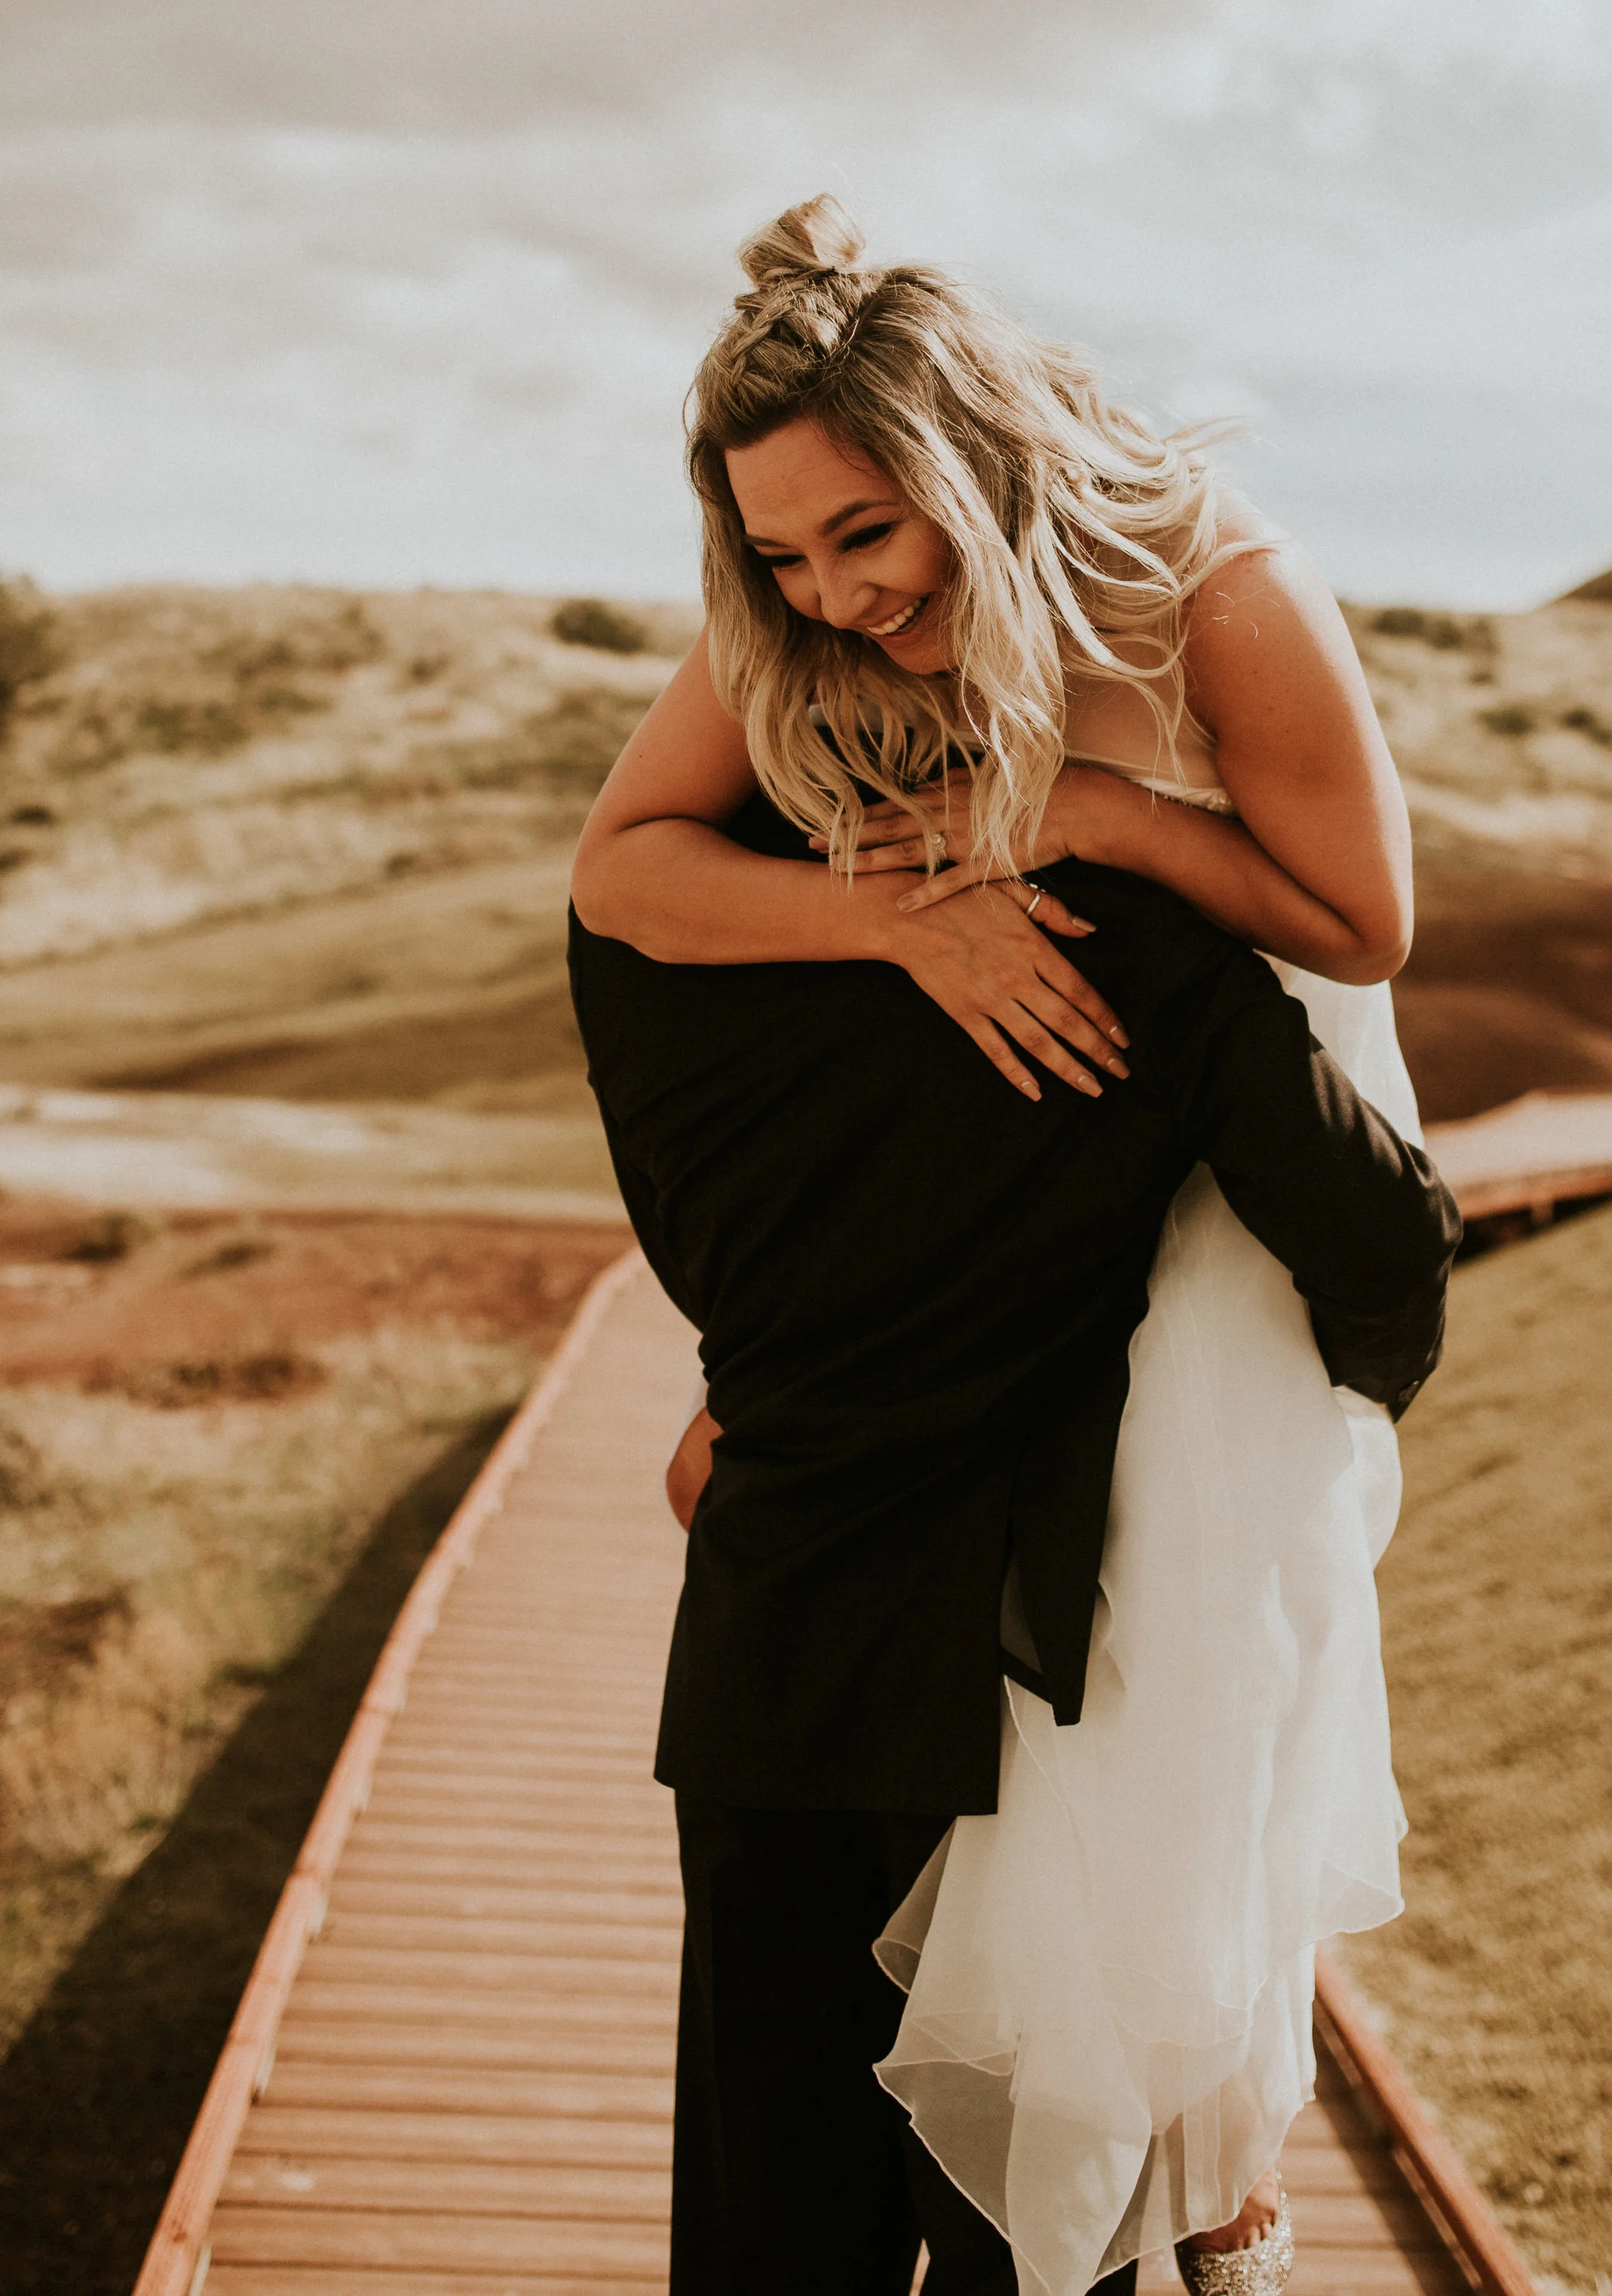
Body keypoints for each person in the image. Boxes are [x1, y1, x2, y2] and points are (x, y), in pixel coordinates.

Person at [571, 196, 1434, 2294]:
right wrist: (890, 908)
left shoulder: (1211, 575)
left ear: (967, 464)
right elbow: (625, 868)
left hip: (1207, 1163)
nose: (833, 597)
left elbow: (1357, 922)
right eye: (780, 558)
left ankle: (1179, 2168)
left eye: (868, 536)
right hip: (967, 1229)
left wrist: (1112, 822)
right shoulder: (801, 612)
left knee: (1149, 1741)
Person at [569, 804, 1458, 2296]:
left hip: (769, 1634)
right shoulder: (1130, 947)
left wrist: (769, 1376)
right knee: (1033, 2246)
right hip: (1039, 1664)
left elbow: (696, 1244)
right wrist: (1272, 1433)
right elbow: (1381, 1245)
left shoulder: (658, 936)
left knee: (763, 2236)